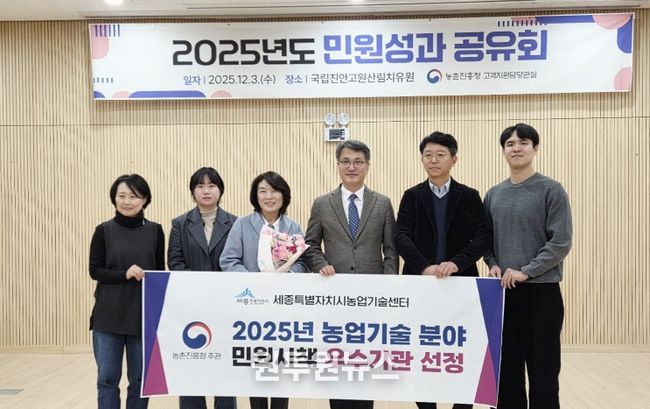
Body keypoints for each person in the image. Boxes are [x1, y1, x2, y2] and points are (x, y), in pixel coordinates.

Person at [394, 132, 490, 409]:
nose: (433, 160)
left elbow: (482, 236)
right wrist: (423, 266)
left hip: (461, 284)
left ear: (454, 159)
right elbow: (401, 236)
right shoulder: (412, 196)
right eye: (428, 155)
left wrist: (458, 262)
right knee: (420, 349)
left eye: (440, 155)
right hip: (420, 285)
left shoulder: (469, 196)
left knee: (462, 349)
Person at [303, 139, 398, 409]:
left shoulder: (382, 203)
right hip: (334, 297)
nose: (351, 167)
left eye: (358, 162)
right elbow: (310, 244)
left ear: (367, 166)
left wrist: (389, 286)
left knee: (366, 362)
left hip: (372, 298)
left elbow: (391, 250)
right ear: (337, 165)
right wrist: (320, 264)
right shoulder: (322, 204)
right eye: (345, 162)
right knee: (338, 361)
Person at [484, 123, 572, 409]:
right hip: (503, 293)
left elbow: (561, 242)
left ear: (535, 148)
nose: (516, 148)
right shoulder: (493, 194)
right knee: (506, 371)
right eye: (510, 144)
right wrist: (493, 263)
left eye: (523, 142)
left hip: (542, 293)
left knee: (543, 370)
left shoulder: (551, 190)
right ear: (503, 151)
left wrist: (527, 271)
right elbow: (486, 240)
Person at [220, 171, 308, 409]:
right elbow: (228, 260)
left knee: (281, 369)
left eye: (275, 190)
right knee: (257, 370)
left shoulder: (293, 226)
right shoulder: (242, 225)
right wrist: (253, 282)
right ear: (255, 196)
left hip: (283, 311)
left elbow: (303, 263)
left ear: (284, 195)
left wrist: (288, 276)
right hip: (252, 309)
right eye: (263, 191)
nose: (269, 196)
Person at [89, 174, 165, 409]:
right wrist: (125, 273)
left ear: (145, 199)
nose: (127, 201)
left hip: (142, 317)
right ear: (114, 198)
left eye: (134, 196)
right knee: (107, 379)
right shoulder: (103, 230)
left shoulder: (155, 231)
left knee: (140, 380)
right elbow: (95, 270)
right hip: (108, 316)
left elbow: (159, 272)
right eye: (121, 196)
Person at [168, 167, 238, 409]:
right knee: (191, 364)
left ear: (220, 190)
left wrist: (217, 289)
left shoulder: (235, 223)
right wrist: (200, 288)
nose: (206, 191)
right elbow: (175, 263)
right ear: (193, 192)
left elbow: (238, 261)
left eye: (211, 185)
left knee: (224, 366)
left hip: (225, 307)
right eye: (200, 186)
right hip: (191, 307)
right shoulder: (180, 223)